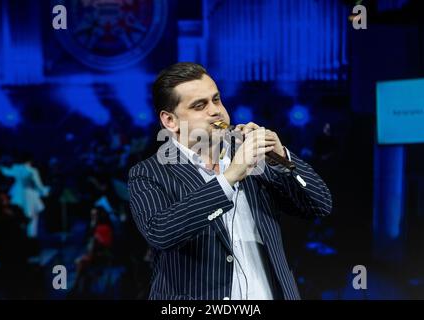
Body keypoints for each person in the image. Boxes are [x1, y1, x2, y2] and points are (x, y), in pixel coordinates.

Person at [128, 62, 332, 300]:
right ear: (170, 121)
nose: (215, 111)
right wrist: (229, 177)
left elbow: (320, 204)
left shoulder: (252, 155)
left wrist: (282, 157)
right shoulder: (148, 173)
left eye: (216, 99)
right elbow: (161, 232)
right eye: (199, 105)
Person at [0, 153, 50, 238]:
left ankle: (20, 237)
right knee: (32, 217)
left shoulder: (17, 168)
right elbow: (38, 185)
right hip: (30, 195)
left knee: (20, 216)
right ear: (30, 161)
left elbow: (6, 172)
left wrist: (0, 167)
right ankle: (31, 237)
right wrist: (46, 191)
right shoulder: (32, 171)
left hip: (18, 195)